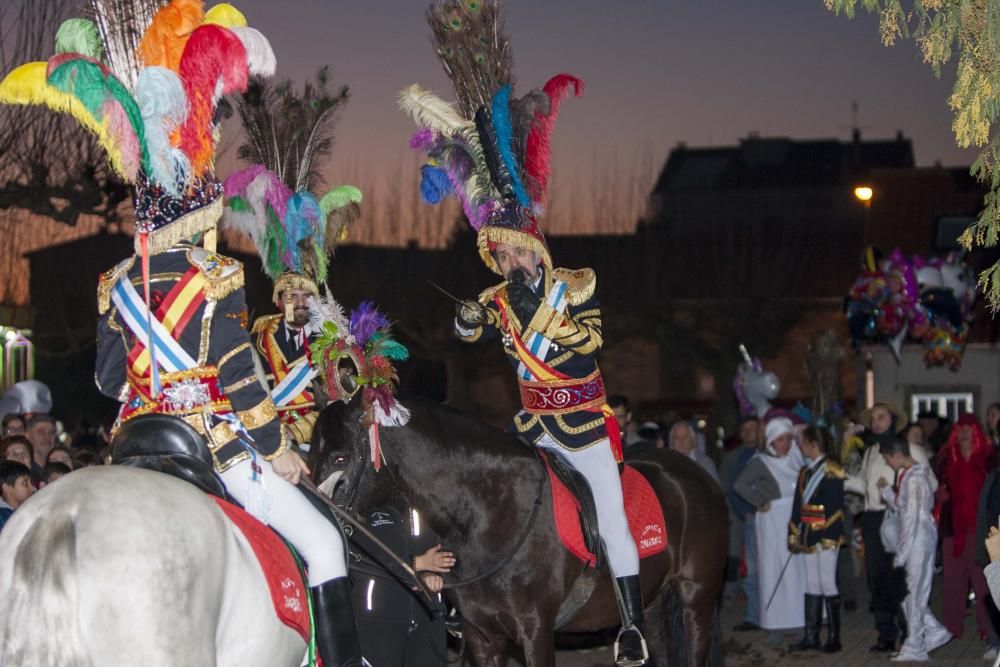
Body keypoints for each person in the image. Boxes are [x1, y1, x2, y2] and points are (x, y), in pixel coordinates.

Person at [83, 15, 367, 663]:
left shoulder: (114, 282)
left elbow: (106, 381)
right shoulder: (216, 276)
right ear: (202, 209)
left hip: (133, 442)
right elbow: (239, 375)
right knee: (322, 544)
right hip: (212, 446)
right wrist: (278, 450)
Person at [402, 10, 647, 661]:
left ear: (536, 247)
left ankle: (629, 623)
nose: (512, 263)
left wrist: (541, 306)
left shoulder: (576, 286)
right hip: (535, 424)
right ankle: (477, 599)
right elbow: (472, 328)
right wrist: (468, 320)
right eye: (502, 256)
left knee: (613, 516)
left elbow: (587, 345)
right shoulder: (497, 298)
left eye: (518, 253)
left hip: (585, 424)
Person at [858, 401, 932, 653]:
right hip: (872, 519)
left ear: (892, 420)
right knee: (876, 577)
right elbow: (864, 486)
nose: (877, 422)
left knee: (899, 576)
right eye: (874, 418)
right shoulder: (869, 452)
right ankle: (886, 634)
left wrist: (901, 498)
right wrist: (842, 479)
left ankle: (910, 632)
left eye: (882, 417)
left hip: (898, 519)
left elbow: (929, 483)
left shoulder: (909, 449)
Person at [878, 435, 952, 662]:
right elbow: (904, 507)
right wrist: (887, 492)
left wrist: (900, 555)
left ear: (897, 455)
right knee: (909, 592)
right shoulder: (910, 475)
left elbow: (910, 519)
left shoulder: (914, 479)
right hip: (918, 537)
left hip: (918, 539)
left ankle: (916, 644)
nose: (887, 463)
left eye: (887, 458)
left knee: (912, 592)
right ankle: (931, 633)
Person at [349, 506, 453, 666]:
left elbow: (447, 554)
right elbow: (360, 559)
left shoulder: (429, 507)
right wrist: (416, 563)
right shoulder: (366, 506)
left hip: (428, 618)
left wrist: (433, 575)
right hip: (380, 621)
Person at [733, 417, 805, 646]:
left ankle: (798, 621)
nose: (785, 443)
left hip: (794, 519)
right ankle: (775, 625)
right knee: (773, 570)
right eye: (780, 439)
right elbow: (740, 485)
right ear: (772, 441)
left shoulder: (796, 459)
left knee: (795, 571)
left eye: (787, 439)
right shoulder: (761, 461)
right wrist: (759, 501)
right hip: (773, 521)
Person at [935, 413, 997, 647]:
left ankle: (989, 632)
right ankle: (951, 629)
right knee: (952, 583)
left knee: (983, 583)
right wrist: (939, 497)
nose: (964, 434)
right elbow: (936, 490)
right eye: (960, 429)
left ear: (977, 433)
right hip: (953, 531)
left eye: (969, 429)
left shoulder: (990, 460)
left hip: (981, 531)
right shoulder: (945, 460)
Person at [787, 426, 845, 653]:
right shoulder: (805, 471)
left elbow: (835, 506)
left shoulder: (833, 470)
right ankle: (811, 636)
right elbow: (797, 506)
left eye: (802, 442)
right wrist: (793, 532)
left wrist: (814, 527)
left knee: (827, 582)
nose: (800, 446)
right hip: (808, 535)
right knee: (811, 583)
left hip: (827, 534)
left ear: (813, 444)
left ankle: (834, 637)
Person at [720, 416, 762, 624]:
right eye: (744, 429)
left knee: (759, 563)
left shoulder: (766, 455)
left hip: (763, 517)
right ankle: (734, 594)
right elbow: (727, 487)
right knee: (737, 556)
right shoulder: (731, 458)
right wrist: (741, 512)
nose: (748, 433)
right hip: (738, 515)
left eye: (752, 428)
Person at [0, 460, 33, 532]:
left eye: (31, 483)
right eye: (25, 483)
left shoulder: (32, 511)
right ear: (6, 488)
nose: (32, 488)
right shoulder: (2, 517)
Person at [23, 413, 56, 480]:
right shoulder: (23, 472)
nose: (47, 437)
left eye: (51, 432)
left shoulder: (60, 468)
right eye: (41, 432)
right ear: (27, 435)